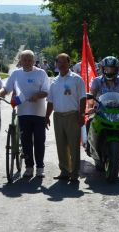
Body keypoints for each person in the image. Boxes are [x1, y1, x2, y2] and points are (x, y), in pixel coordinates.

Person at [0, 50, 50, 178]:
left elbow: (46, 91)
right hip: (23, 113)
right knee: (26, 141)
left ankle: (40, 167)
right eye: (25, 60)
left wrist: (37, 95)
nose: (27, 62)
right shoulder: (16, 74)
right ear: (20, 61)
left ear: (34, 61)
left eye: (30, 60)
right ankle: (29, 167)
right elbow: (6, 88)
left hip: (39, 113)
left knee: (40, 141)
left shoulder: (41, 73)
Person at [45, 53, 86, 182]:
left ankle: (74, 173)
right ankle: (64, 171)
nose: (62, 65)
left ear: (69, 63)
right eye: (59, 62)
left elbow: (83, 98)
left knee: (74, 146)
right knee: (61, 145)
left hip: (72, 115)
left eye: (64, 62)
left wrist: (82, 115)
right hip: (58, 116)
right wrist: (47, 117)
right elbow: (50, 101)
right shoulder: (54, 81)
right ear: (56, 64)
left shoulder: (76, 79)